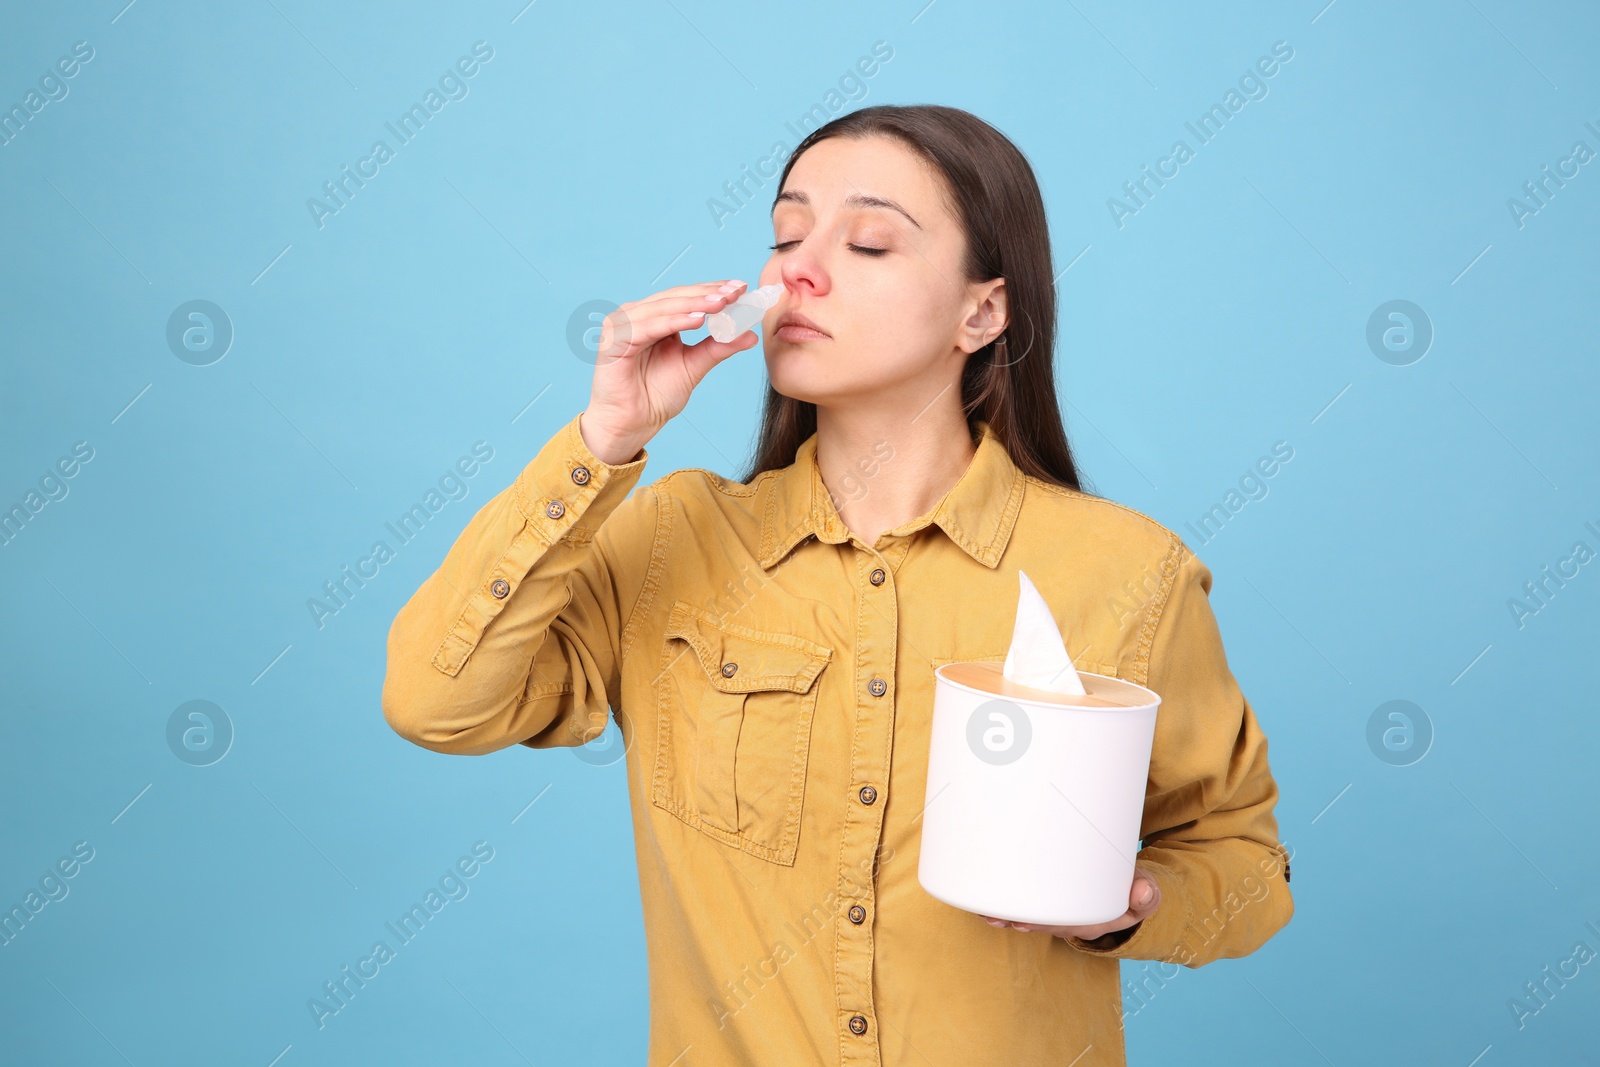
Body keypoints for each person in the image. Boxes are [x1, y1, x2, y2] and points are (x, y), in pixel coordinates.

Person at [382, 103, 1293, 1066]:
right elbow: (435, 702)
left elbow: (1247, 868)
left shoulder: (1126, 571)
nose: (797, 269)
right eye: (785, 234)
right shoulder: (671, 538)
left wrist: (1133, 905)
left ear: (982, 312)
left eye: (866, 242)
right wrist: (603, 442)